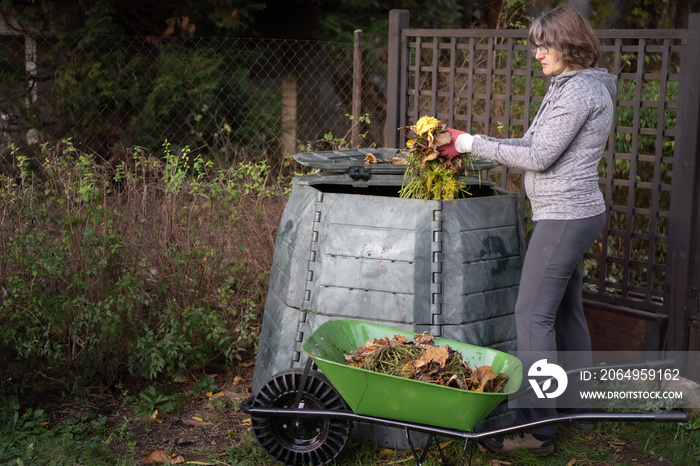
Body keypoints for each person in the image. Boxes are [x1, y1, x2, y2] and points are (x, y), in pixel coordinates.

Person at [438, 5, 617, 456]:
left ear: (569, 45)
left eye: (544, 45)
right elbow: (532, 145)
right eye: (536, 45)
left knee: (531, 316)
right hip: (573, 213)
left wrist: (465, 141)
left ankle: (537, 430)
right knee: (563, 314)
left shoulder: (578, 94)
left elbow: (539, 159)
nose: (537, 54)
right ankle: (580, 410)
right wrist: (470, 146)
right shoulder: (570, 86)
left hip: (565, 217)